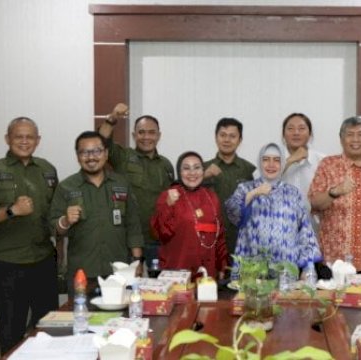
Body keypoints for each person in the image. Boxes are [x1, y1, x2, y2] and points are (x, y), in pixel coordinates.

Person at [0, 117, 59, 355]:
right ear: (7, 139)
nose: (24, 141)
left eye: (30, 137)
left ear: (38, 140)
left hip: (43, 259)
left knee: (48, 328)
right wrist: (11, 211)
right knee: (11, 331)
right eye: (18, 136)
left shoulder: (48, 170)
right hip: (8, 263)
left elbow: (54, 213)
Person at [49, 131, 144, 295]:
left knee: (119, 319)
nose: (91, 157)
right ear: (77, 156)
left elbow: (133, 225)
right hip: (82, 272)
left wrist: (137, 261)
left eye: (97, 151)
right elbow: (54, 227)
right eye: (84, 152)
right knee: (82, 318)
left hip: (119, 271)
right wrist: (65, 220)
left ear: (106, 154)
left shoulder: (121, 183)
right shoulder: (66, 187)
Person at [309, 116, 361, 271]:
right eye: (350, 134)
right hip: (336, 262)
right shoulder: (328, 165)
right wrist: (334, 192)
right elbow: (314, 203)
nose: (356, 139)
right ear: (341, 140)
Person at [98, 104, 174, 267]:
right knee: (127, 288)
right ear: (134, 135)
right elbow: (100, 141)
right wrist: (112, 118)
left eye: (151, 132)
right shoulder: (122, 156)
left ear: (159, 136)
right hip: (127, 240)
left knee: (157, 289)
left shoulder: (166, 165)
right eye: (141, 132)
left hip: (157, 239)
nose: (146, 137)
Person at [226, 143, 322, 270]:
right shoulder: (245, 188)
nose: (271, 164)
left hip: (286, 270)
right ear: (260, 162)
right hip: (252, 271)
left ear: (283, 164)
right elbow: (233, 213)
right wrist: (254, 193)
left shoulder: (293, 193)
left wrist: (308, 268)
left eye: (277, 160)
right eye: (266, 160)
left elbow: (305, 232)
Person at [151, 151, 228, 279]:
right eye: (186, 168)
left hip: (207, 273)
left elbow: (219, 235)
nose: (192, 173)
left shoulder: (212, 197)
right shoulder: (168, 196)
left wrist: (222, 264)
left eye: (197, 168)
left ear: (203, 171)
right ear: (179, 173)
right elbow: (159, 233)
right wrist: (168, 205)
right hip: (177, 271)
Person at [202, 118, 255, 257]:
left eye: (232, 136)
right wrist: (203, 176)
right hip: (209, 239)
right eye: (223, 135)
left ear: (240, 140)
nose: (227, 140)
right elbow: (185, 193)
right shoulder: (201, 168)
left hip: (240, 241)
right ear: (216, 137)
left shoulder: (248, 170)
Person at [280, 113, 325, 212]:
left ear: (310, 134)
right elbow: (262, 183)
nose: (296, 133)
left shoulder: (322, 161)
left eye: (301, 128)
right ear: (283, 134)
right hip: (280, 223)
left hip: (313, 224)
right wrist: (290, 160)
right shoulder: (272, 158)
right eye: (290, 128)